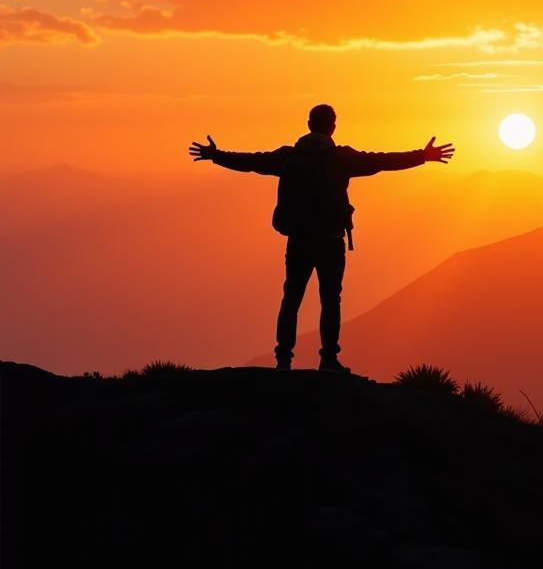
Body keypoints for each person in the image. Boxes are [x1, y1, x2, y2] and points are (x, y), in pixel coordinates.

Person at [189, 104, 454, 372]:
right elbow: (382, 161)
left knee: (291, 297)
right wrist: (422, 156)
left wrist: (216, 155)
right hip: (330, 240)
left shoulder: (288, 158)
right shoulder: (342, 158)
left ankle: (283, 359)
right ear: (333, 127)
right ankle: (328, 359)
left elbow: (251, 162)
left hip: (299, 240)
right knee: (330, 299)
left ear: (308, 124)